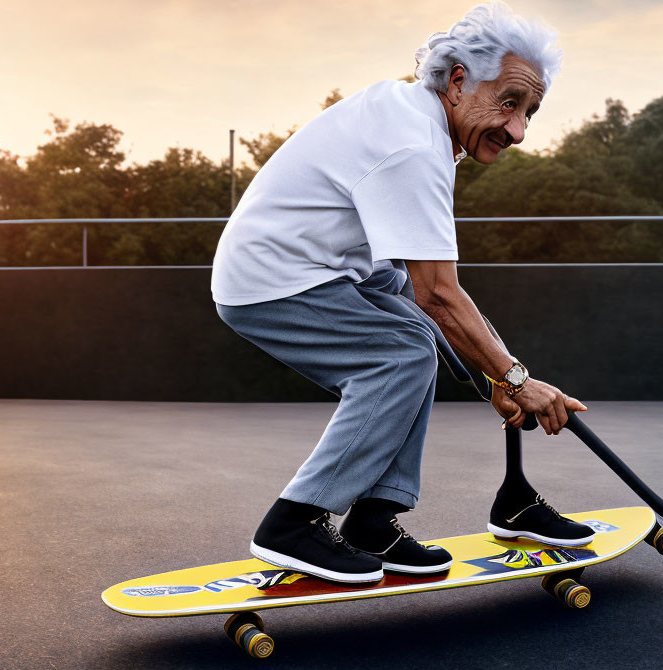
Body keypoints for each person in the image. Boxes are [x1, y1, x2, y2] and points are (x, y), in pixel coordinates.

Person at [210, 1, 594, 585]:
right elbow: (438, 293)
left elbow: (428, 302)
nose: (517, 130)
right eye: (509, 103)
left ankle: (373, 520)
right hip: (273, 278)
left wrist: (497, 374)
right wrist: (515, 381)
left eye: (530, 113)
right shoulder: (415, 147)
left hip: (338, 267)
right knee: (400, 354)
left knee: (416, 338)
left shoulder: (414, 116)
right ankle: (293, 523)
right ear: (459, 79)